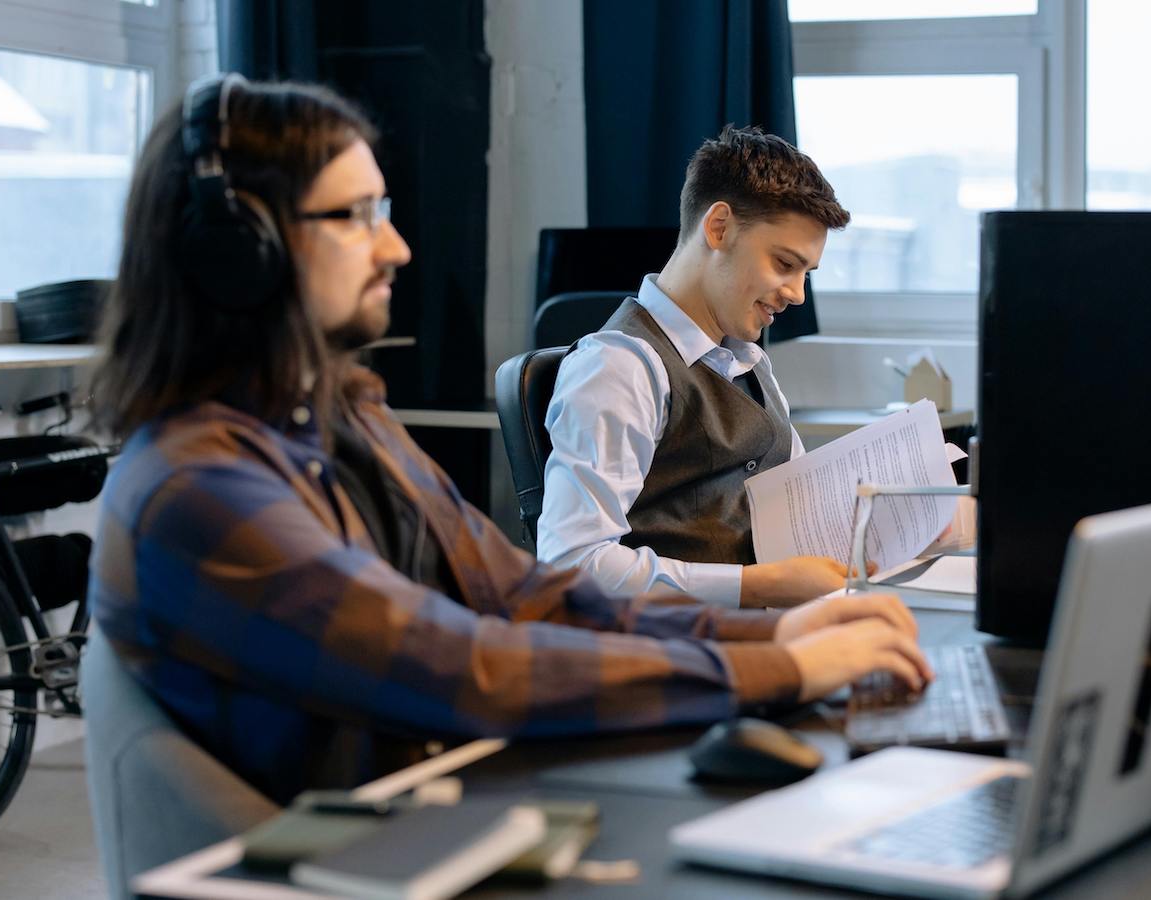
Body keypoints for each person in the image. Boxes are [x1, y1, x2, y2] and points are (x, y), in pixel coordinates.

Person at [87, 75, 930, 803]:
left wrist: (774, 637)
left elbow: (526, 595)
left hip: (451, 791)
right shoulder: (197, 487)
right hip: (369, 846)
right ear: (243, 253)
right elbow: (457, 665)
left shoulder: (343, 420)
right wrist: (770, 670)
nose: (397, 245)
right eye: (354, 216)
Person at [537, 126, 863, 608]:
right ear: (719, 228)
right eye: (783, 264)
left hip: (765, 635)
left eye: (805, 275)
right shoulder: (619, 368)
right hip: (674, 659)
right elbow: (572, 564)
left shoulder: (751, 363)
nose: (796, 294)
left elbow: (798, 503)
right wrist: (760, 586)